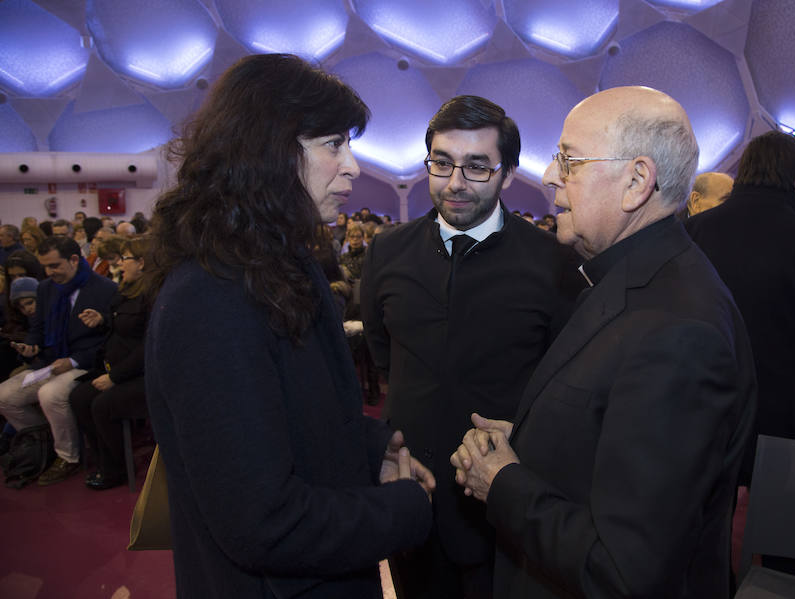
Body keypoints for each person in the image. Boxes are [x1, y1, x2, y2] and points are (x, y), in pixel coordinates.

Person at [144, 53, 433, 598]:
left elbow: (297, 417)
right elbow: (263, 523)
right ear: (268, 150)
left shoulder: (277, 264)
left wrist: (373, 448)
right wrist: (405, 509)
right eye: (333, 145)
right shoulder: (211, 297)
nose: (352, 165)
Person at [450, 86, 756, 598]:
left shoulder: (679, 329)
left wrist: (501, 482)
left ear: (637, 181)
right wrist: (531, 440)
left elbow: (625, 568)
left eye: (568, 160)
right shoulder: (630, 278)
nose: (549, 176)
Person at [361, 95, 584, 599]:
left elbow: (562, 385)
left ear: (507, 173)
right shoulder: (387, 251)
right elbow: (382, 354)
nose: (455, 182)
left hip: (505, 506)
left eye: (477, 167)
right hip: (411, 494)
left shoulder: (553, 264)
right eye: (442, 163)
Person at [685, 130, 795, 485]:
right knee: (772, 511)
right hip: (776, 398)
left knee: (703, 503)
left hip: (699, 386)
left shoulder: (696, 229)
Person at [0, 236, 117, 485]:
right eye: (45, 266)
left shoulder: (105, 289)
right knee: (5, 396)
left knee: (50, 395)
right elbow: (38, 328)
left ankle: (68, 456)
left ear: (74, 260)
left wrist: (73, 361)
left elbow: (110, 340)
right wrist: (31, 346)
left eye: (54, 265)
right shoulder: (45, 288)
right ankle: (45, 442)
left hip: (86, 364)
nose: (49, 272)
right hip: (50, 361)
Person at [69, 236, 153, 490]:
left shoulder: (153, 295)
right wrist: (103, 320)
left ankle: (116, 468)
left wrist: (115, 377)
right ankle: (104, 460)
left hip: (141, 376)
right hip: (119, 370)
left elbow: (146, 346)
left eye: (124, 258)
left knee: (102, 405)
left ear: (141, 262)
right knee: (79, 397)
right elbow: (125, 328)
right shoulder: (127, 289)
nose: (120, 264)